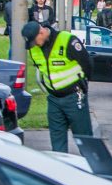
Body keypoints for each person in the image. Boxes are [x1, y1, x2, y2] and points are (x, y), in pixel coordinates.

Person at [21, 20, 92, 153]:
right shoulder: (34, 49)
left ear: (41, 32)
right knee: (57, 141)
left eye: (35, 40)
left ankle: (93, 169)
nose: (34, 44)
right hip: (53, 99)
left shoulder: (67, 40)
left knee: (84, 138)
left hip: (74, 96)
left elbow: (86, 63)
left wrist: (83, 84)